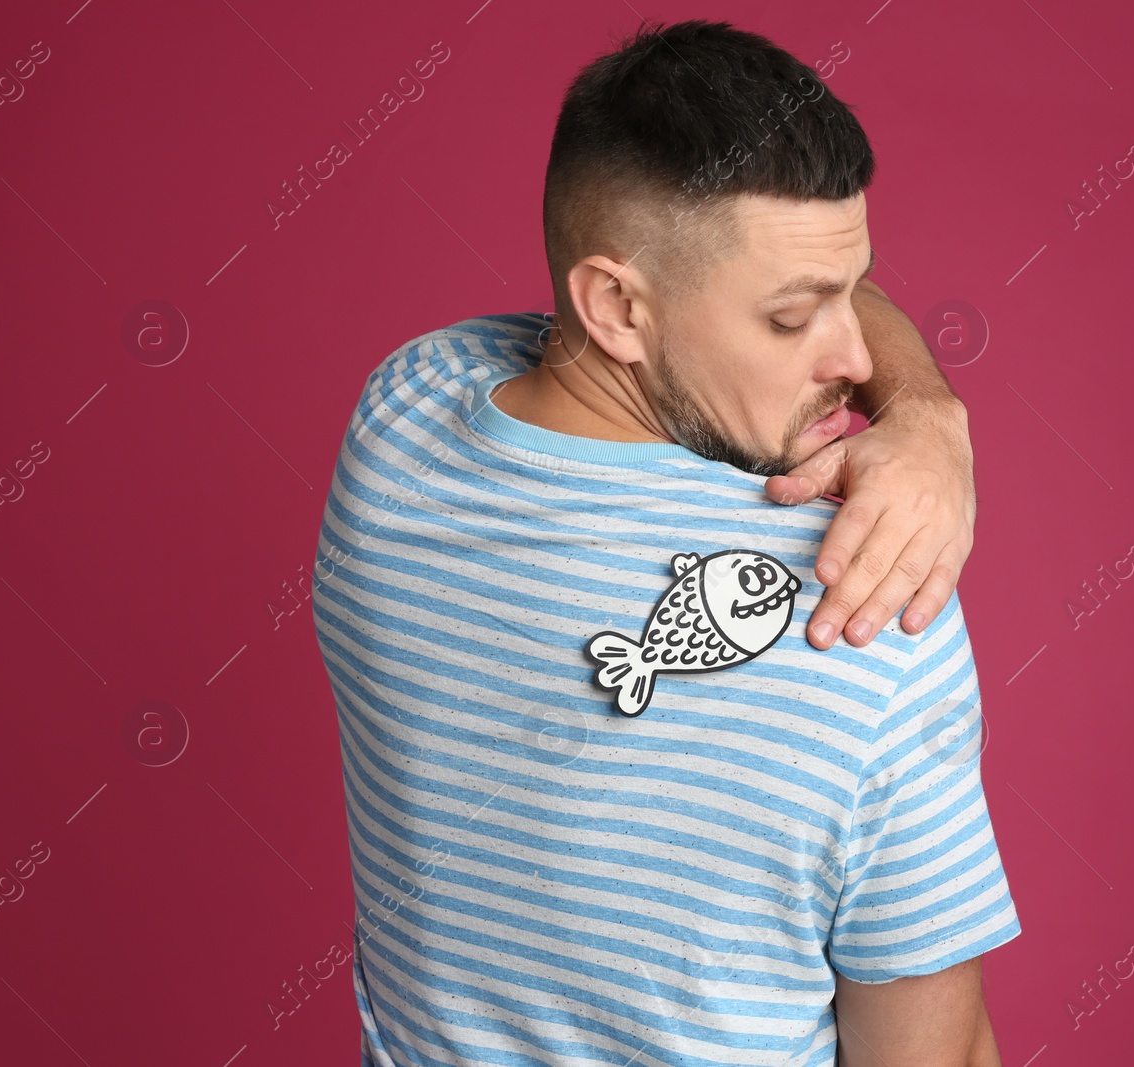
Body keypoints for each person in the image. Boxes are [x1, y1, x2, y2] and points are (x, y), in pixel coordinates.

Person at [311, 18, 1020, 1066]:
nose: (855, 352)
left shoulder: (399, 427)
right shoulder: (869, 602)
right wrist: (926, 409)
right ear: (618, 308)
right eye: (792, 320)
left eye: (850, 289)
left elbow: (593, 323)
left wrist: (907, 403)